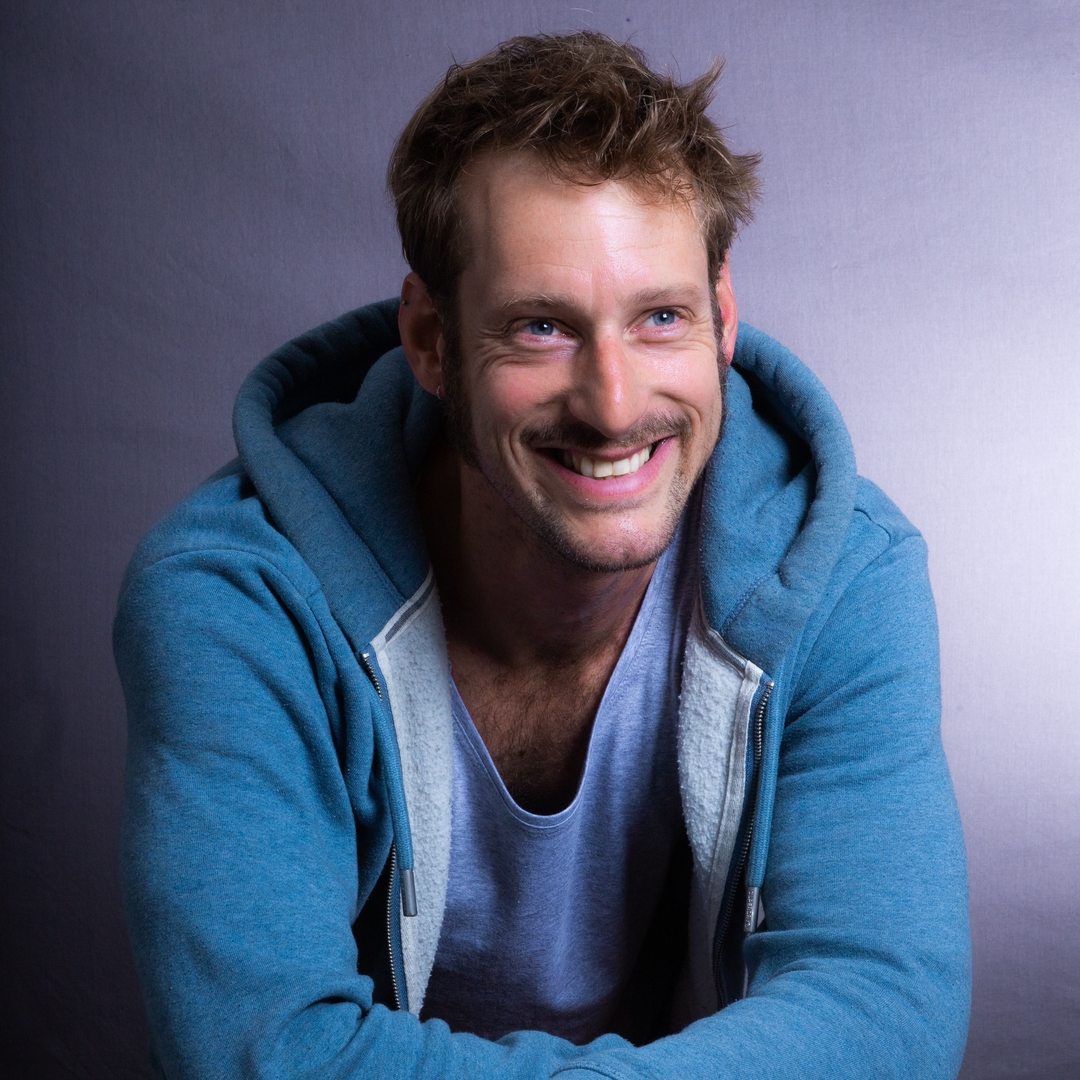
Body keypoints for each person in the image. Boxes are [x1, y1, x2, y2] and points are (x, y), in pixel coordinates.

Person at [114, 31, 971, 1080]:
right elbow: (265, 1052)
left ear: (723, 319)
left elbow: (883, 1011)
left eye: (661, 317)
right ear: (430, 341)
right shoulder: (239, 602)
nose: (612, 405)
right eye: (541, 328)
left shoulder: (843, 575)